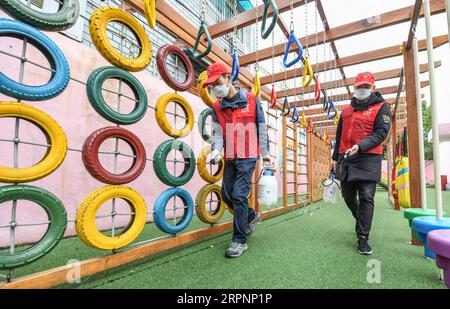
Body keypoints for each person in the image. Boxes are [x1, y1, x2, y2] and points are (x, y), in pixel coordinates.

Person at [202, 62, 272, 258]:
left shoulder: (250, 99)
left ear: (228, 78)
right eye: (212, 85)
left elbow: (261, 127)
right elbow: (217, 133)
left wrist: (266, 154)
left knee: (239, 195)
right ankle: (250, 215)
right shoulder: (217, 106)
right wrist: (217, 150)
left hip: (249, 155)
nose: (215, 88)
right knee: (226, 195)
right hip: (231, 155)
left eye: (217, 82)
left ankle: (239, 240)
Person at [332, 72, 391, 255]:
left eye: (366, 86)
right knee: (348, 195)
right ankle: (360, 219)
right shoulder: (346, 110)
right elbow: (339, 134)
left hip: (368, 158)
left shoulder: (382, 107)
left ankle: (363, 237)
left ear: (373, 87)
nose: (362, 89)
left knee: (366, 197)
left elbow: (382, 132)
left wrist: (360, 146)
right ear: (354, 88)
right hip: (346, 157)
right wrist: (335, 158)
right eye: (359, 87)